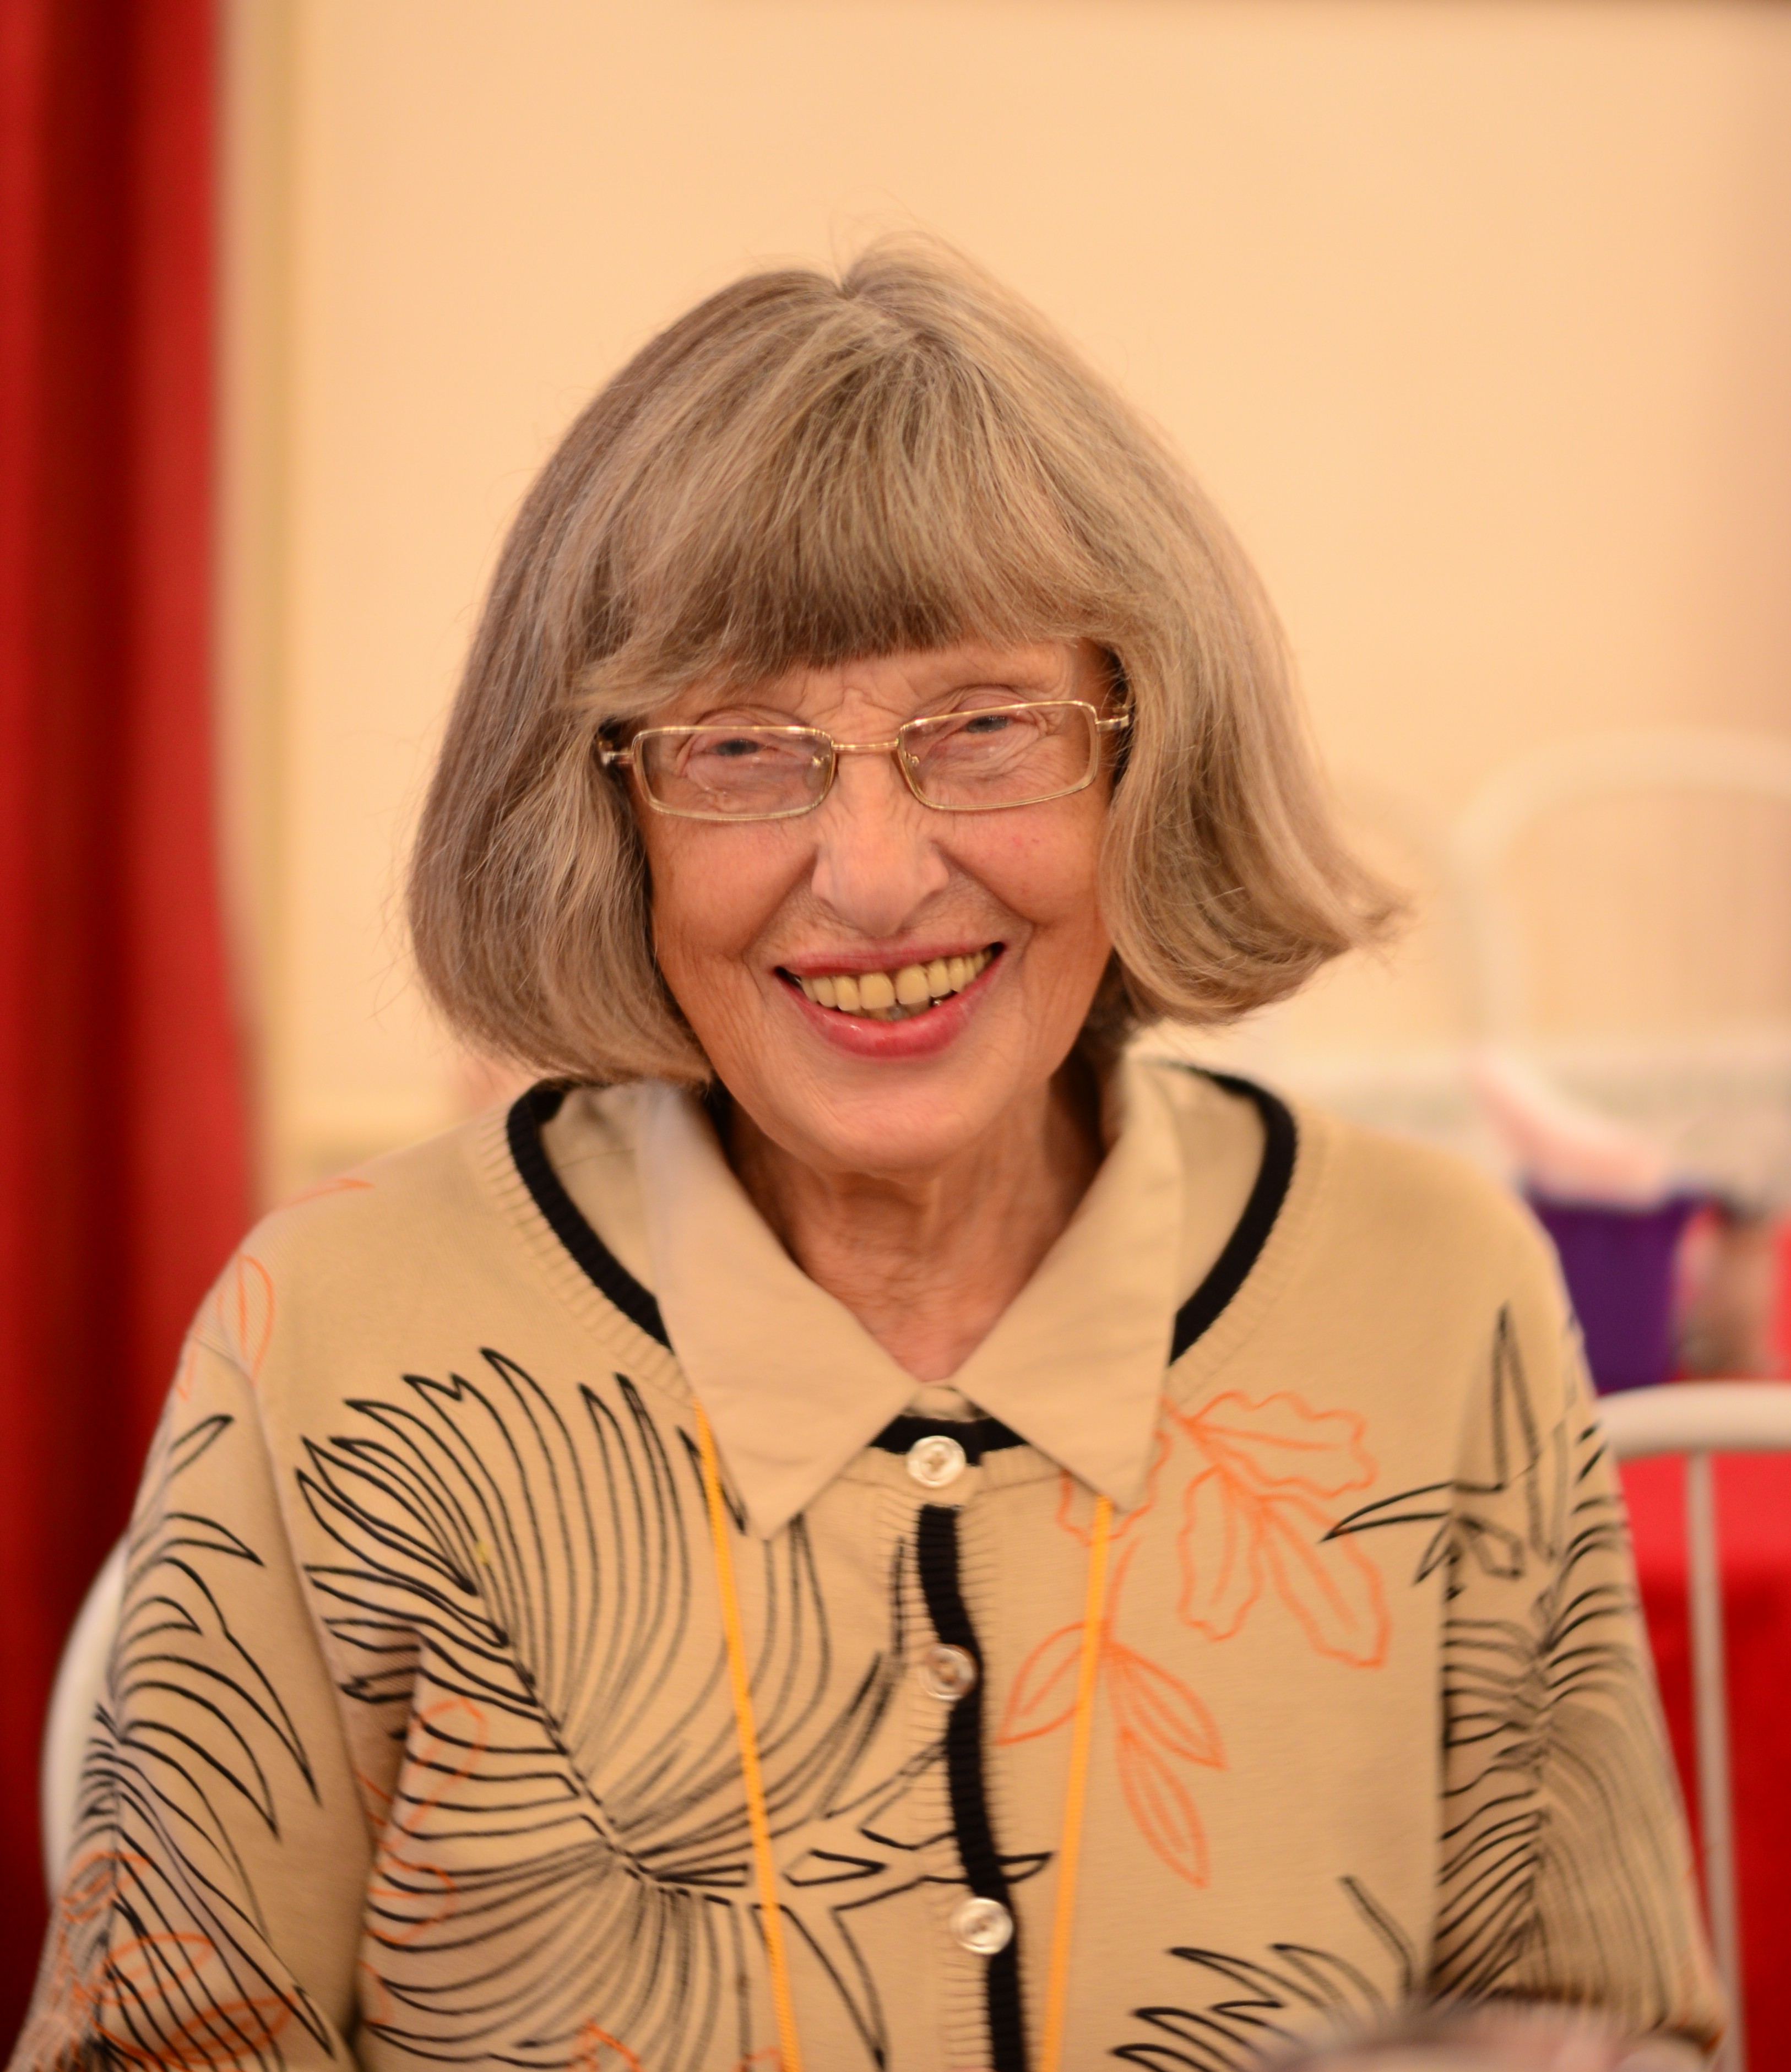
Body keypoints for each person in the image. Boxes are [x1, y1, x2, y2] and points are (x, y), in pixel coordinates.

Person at [15, 244, 1721, 2072]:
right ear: (604, 809)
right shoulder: (344, 1332)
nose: (879, 872)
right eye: (741, 746)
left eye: (982, 726)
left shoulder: (1427, 1282)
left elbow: (1605, 2029)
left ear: (1140, 754)